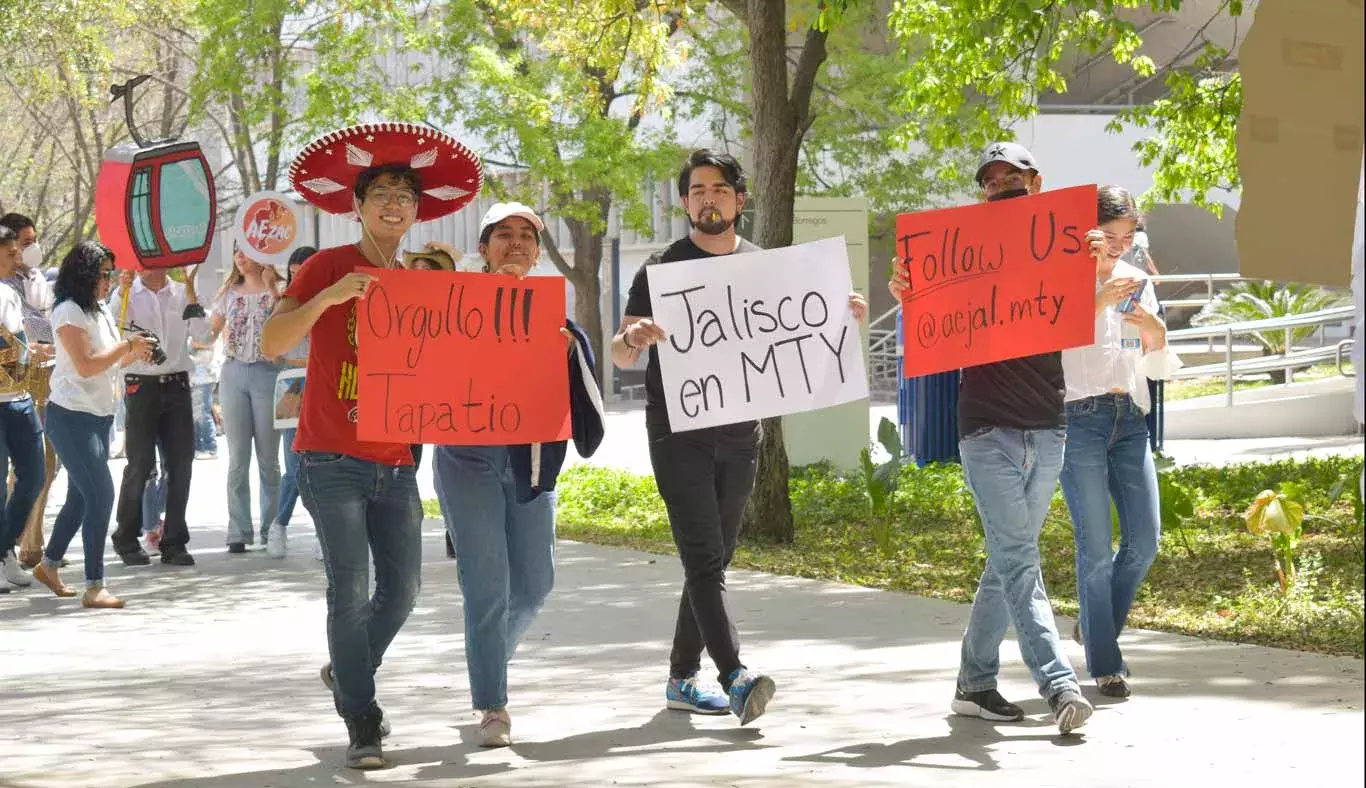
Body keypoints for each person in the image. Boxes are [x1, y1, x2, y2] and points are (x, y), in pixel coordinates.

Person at [612, 149, 866, 727]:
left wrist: (838, 315)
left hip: (741, 435)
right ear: (685, 202)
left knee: (715, 561)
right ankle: (735, 675)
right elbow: (621, 353)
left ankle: (681, 678)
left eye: (719, 189)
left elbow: (796, 333)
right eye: (697, 190)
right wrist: (634, 337)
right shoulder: (659, 269)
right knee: (704, 561)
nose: (708, 198)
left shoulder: (765, 268)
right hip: (678, 435)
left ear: (739, 200)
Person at [263, 121, 483, 770]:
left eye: (405, 197)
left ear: (417, 212)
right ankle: (363, 717)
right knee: (349, 588)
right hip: (329, 456)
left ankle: (349, 669)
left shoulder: (422, 276)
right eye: (381, 194)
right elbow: (273, 343)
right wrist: (329, 297)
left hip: (397, 461)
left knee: (405, 590)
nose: (393, 205)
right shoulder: (330, 265)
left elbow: (458, 357)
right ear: (357, 207)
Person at [889, 142, 1093, 735]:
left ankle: (974, 684)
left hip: (1048, 429)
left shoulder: (1064, 245)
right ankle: (1058, 686)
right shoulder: (959, 256)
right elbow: (923, 314)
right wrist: (910, 288)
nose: (1000, 185)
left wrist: (1098, 259)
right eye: (990, 179)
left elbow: (1098, 297)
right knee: (1021, 560)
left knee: (1006, 562)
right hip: (984, 431)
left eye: (1012, 176)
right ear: (981, 191)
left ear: (1036, 182)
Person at [431, 203, 604, 747]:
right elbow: (422, 371)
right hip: (466, 460)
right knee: (487, 586)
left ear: (537, 249)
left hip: (530, 462)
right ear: (483, 249)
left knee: (533, 584)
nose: (514, 243)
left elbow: (584, 393)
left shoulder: (556, 319)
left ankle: (485, 665)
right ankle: (493, 705)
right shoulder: (452, 309)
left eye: (526, 235)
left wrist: (570, 351)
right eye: (501, 235)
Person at [1060, 186, 1181, 698]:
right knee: (1094, 547)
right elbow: (1046, 344)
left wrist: (1157, 333)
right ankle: (1106, 664)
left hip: (1130, 417)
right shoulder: (1060, 277)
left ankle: (1097, 624)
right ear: (1088, 233)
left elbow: (1154, 364)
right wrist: (1091, 297)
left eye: (1127, 237)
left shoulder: (1138, 280)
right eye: (1109, 236)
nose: (1118, 246)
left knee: (1145, 541)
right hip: (1077, 418)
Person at [31, 242, 156, 608]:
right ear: (85, 275)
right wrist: (126, 347)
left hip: (99, 414)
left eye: (111, 274)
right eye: (104, 275)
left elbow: (106, 362)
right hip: (70, 416)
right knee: (101, 496)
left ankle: (49, 565)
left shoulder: (98, 310)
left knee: (81, 498)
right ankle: (93, 585)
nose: (109, 281)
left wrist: (135, 353)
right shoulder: (68, 311)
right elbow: (85, 365)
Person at [108, 264, 209, 567]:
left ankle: (174, 541)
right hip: (140, 384)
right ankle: (126, 537)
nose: (149, 267)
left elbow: (203, 335)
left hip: (176, 383)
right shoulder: (126, 292)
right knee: (140, 464)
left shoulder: (181, 292)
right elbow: (113, 332)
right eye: (143, 261)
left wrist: (192, 295)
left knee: (181, 463)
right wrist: (121, 291)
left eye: (156, 260)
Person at [207, 247, 283, 553]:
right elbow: (208, 334)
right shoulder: (228, 293)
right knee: (238, 459)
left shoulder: (280, 290)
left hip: (269, 371)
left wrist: (273, 287)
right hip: (234, 371)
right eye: (236, 251)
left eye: (246, 251)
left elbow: (287, 320)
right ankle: (238, 530)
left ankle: (272, 528)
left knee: (268, 459)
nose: (239, 256)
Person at [2, 213, 59, 571]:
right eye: (12, 251)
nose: (19, 256)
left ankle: (6, 547)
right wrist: (24, 353)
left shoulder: (14, 288)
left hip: (21, 397)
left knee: (36, 474)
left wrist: (32, 351)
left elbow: (17, 338)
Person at [268, 245, 315, 559]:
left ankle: (324, 533)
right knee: (294, 464)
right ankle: (279, 525)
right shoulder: (283, 303)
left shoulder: (330, 300)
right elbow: (271, 350)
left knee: (323, 464)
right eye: (294, 274)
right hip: (291, 384)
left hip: (324, 383)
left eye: (305, 273)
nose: (298, 280)